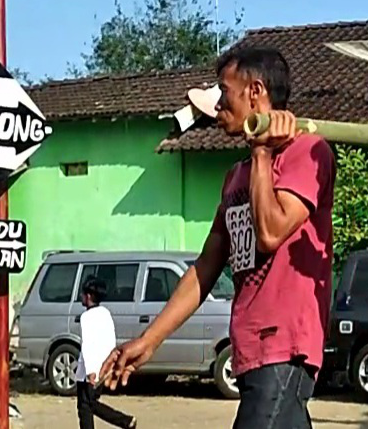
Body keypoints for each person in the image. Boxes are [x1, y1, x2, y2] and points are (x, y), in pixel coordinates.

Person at [103, 48, 336, 429]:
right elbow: (206, 266)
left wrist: (262, 150)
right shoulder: (236, 176)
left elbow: (272, 232)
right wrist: (150, 340)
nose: (218, 104)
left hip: (284, 347)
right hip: (249, 349)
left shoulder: (308, 152)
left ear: (255, 91)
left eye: (225, 91)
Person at [76, 277, 135, 429]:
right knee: (85, 407)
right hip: (104, 366)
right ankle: (125, 421)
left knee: (88, 404)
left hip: (90, 371)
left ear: (88, 296)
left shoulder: (86, 317)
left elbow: (88, 344)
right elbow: (110, 341)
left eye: (83, 294)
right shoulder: (105, 313)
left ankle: (125, 420)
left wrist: (90, 371)